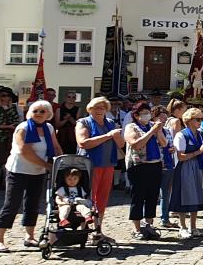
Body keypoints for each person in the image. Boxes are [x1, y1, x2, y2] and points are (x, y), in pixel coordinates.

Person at [0, 100, 61, 253]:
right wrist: (47, 166)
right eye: (35, 111)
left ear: (48, 114)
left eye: (42, 111)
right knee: (12, 204)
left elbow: (56, 146)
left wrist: (61, 162)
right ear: (29, 113)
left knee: (32, 204)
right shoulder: (23, 128)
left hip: (37, 172)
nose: (38, 114)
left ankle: (30, 237)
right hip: (18, 171)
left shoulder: (49, 128)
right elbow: (24, 151)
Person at [75, 97, 123, 244]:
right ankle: (84, 230)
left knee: (102, 199)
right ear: (90, 109)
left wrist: (116, 136)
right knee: (87, 198)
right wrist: (108, 136)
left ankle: (97, 230)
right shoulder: (83, 122)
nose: (99, 110)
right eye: (96, 107)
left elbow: (121, 144)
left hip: (107, 165)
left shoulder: (110, 123)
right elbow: (83, 143)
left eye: (102, 107)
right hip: (89, 165)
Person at [123, 101, 164, 240]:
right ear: (136, 115)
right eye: (144, 113)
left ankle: (149, 225)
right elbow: (136, 145)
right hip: (138, 166)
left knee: (152, 196)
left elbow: (164, 143)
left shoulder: (153, 125)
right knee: (138, 196)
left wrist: (158, 131)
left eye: (149, 113)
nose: (147, 116)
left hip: (155, 164)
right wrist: (151, 132)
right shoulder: (131, 127)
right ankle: (136, 228)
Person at [170, 108, 203, 240]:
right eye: (198, 119)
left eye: (201, 119)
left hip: (198, 167)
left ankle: (193, 227)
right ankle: (182, 227)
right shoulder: (181, 135)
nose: (200, 122)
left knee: (196, 196)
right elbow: (181, 156)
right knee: (184, 196)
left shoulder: (201, 134)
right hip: (185, 168)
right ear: (189, 120)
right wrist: (198, 152)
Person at [0, 86, 23, 190]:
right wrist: (7, 126)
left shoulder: (13, 108)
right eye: (3, 95)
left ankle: (5, 183)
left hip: (10, 139)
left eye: (8, 96)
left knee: (7, 161)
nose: (5, 98)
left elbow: (17, 121)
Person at [158, 105, 179, 228]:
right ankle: (147, 220)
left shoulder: (166, 131)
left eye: (165, 119)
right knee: (150, 194)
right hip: (154, 165)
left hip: (168, 164)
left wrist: (172, 149)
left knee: (166, 194)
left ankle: (164, 218)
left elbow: (170, 145)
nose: (163, 121)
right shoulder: (150, 130)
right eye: (161, 118)